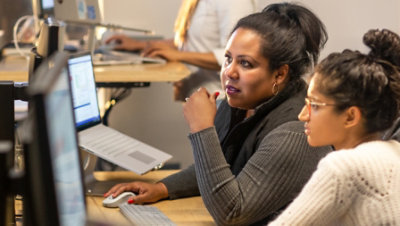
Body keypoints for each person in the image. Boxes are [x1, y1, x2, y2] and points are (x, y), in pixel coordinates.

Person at [105, 3, 332, 225]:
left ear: (280, 75)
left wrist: (202, 128)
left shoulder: (295, 132)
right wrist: (162, 188)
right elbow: (218, 167)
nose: (229, 72)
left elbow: (232, 213)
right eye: (228, 58)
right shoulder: (238, 103)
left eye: (246, 63)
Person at [269, 29, 400, 225]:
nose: (302, 115)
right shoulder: (394, 151)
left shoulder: (344, 166)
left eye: (314, 105)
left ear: (350, 116)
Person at [105, 0, 256, 101]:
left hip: (220, 99)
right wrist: (140, 45)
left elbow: (238, 57)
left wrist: (179, 55)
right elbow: (192, 42)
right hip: (200, 99)